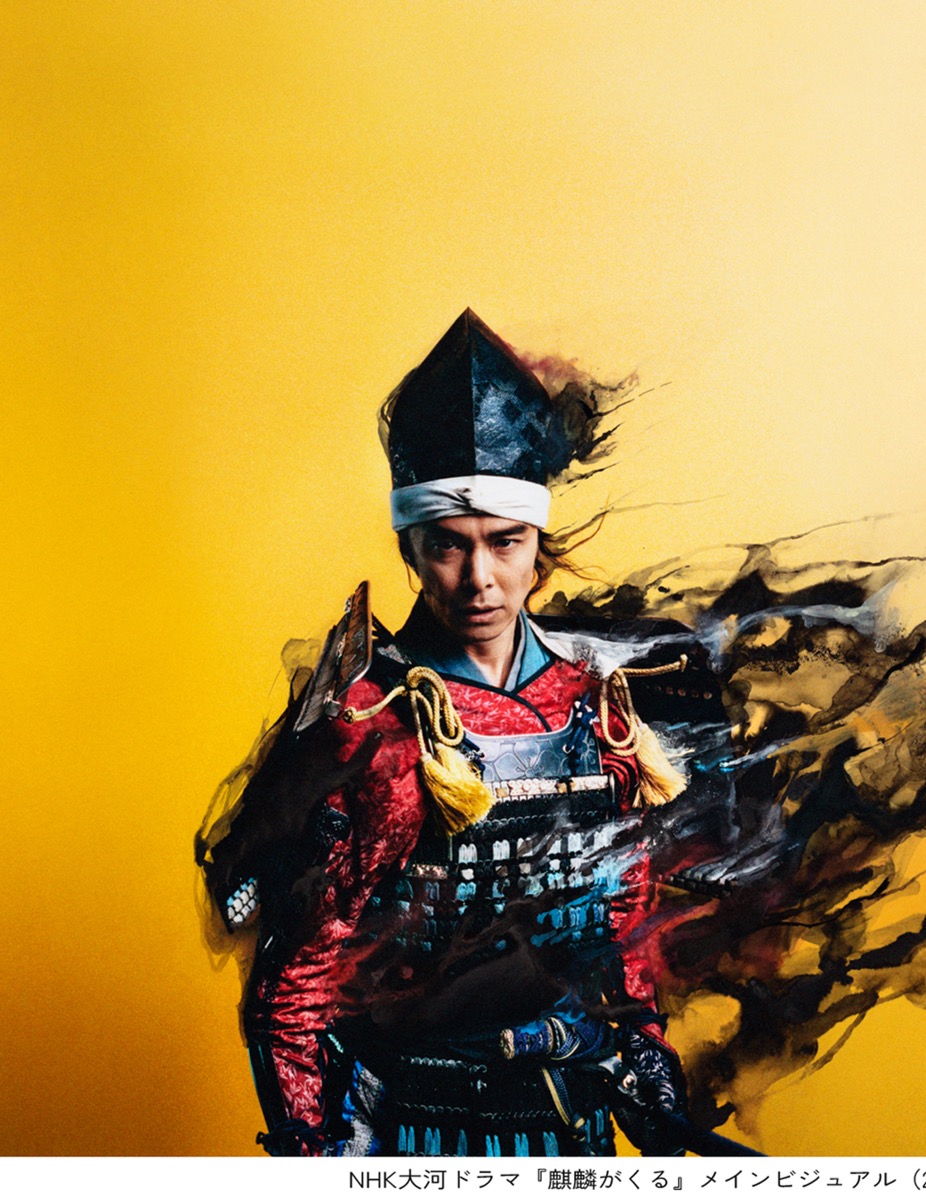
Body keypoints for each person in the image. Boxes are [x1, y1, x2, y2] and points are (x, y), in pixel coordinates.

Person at [199, 310, 725, 1156]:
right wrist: (309, 1153)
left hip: (569, 1128)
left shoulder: (596, 707)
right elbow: (292, 993)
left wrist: (645, 1056)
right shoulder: (371, 729)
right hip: (408, 1137)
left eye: (505, 543)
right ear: (409, 549)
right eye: (448, 547)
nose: (480, 579)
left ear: (537, 542)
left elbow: (620, 923)